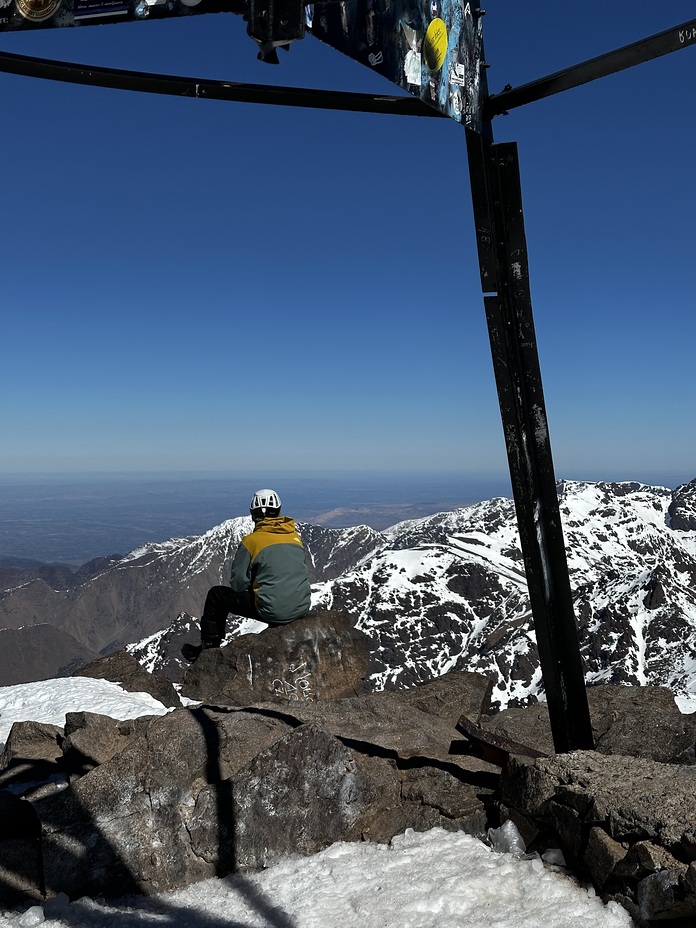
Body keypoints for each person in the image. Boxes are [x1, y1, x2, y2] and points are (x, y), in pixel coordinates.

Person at [182, 489, 311, 661]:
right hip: (301, 607)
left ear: (254, 514)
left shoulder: (251, 542)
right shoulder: (295, 537)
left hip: (273, 611)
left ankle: (208, 649)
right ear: (279, 511)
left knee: (216, 595)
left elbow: (238, 585)